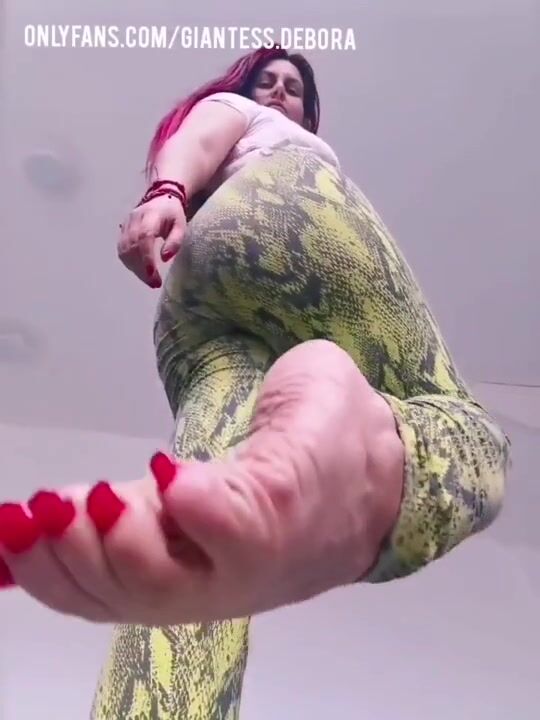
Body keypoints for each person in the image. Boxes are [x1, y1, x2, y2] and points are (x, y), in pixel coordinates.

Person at [0, 46, 510, 719]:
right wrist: (166, 191)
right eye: (264, 82)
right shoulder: (267, 132)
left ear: (309, 111)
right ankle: (375, 464)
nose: (276, 93)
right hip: (288, 215)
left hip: (197, 306)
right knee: (463, 425)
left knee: (200, 540)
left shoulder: (225, 145)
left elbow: (198, 138)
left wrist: (168, 194)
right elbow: (207, 127)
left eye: (292, 87)